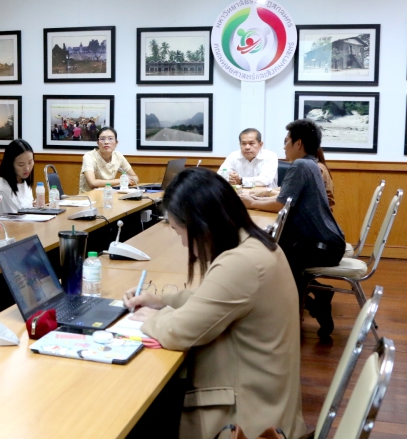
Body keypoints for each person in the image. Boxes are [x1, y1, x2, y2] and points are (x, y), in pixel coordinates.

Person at [123, 168, 306, 439]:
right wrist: (161, 300)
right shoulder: (256, 245)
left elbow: (180, 331)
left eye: (179, 231)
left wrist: (152, 318)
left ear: (200, 224)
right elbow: (211, 298)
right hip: (268, 403)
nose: (183, 244)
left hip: (245, 423)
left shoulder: (240, 263)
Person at [240, 119, 345, 338]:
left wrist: (251, 202)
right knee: (275, 254)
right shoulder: (310, 164)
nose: (284, 146)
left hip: (323, 245)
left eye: (286, 141)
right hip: (327, 242)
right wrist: (255, 201)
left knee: (273, 261)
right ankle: (318, 297)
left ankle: (300, 313)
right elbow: (285, 200)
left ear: (298, 143)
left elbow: (280, 204)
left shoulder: (301, 166)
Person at [78, 126, 139, 193]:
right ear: (98, 143)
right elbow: (93, 183)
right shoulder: (89, 156)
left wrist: (130, 180)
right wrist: (121, 180)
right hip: (89, 197)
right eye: (102, 139)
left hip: (108, 195)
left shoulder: (118, 156)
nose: (106, 142)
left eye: (110, 139)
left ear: (116, 143)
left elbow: (135, 177)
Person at [0, 139, 36, 215]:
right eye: (21, 165)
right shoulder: (3, 190)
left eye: (30, 162)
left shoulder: (24, 181)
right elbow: (10, 219)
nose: (27, 168)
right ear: (10, 164)